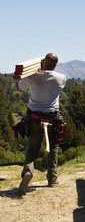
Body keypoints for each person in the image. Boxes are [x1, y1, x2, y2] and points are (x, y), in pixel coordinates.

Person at [15, 53, 67, 196]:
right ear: (55, 65)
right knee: (53, 147)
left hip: (34, 118)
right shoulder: (61, 78)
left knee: (32, 148)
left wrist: (22, 77)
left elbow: (20, 87)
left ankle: (28, 171)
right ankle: (52, 179)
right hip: (52, 118)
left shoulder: (32, 77)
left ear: (43, 62)